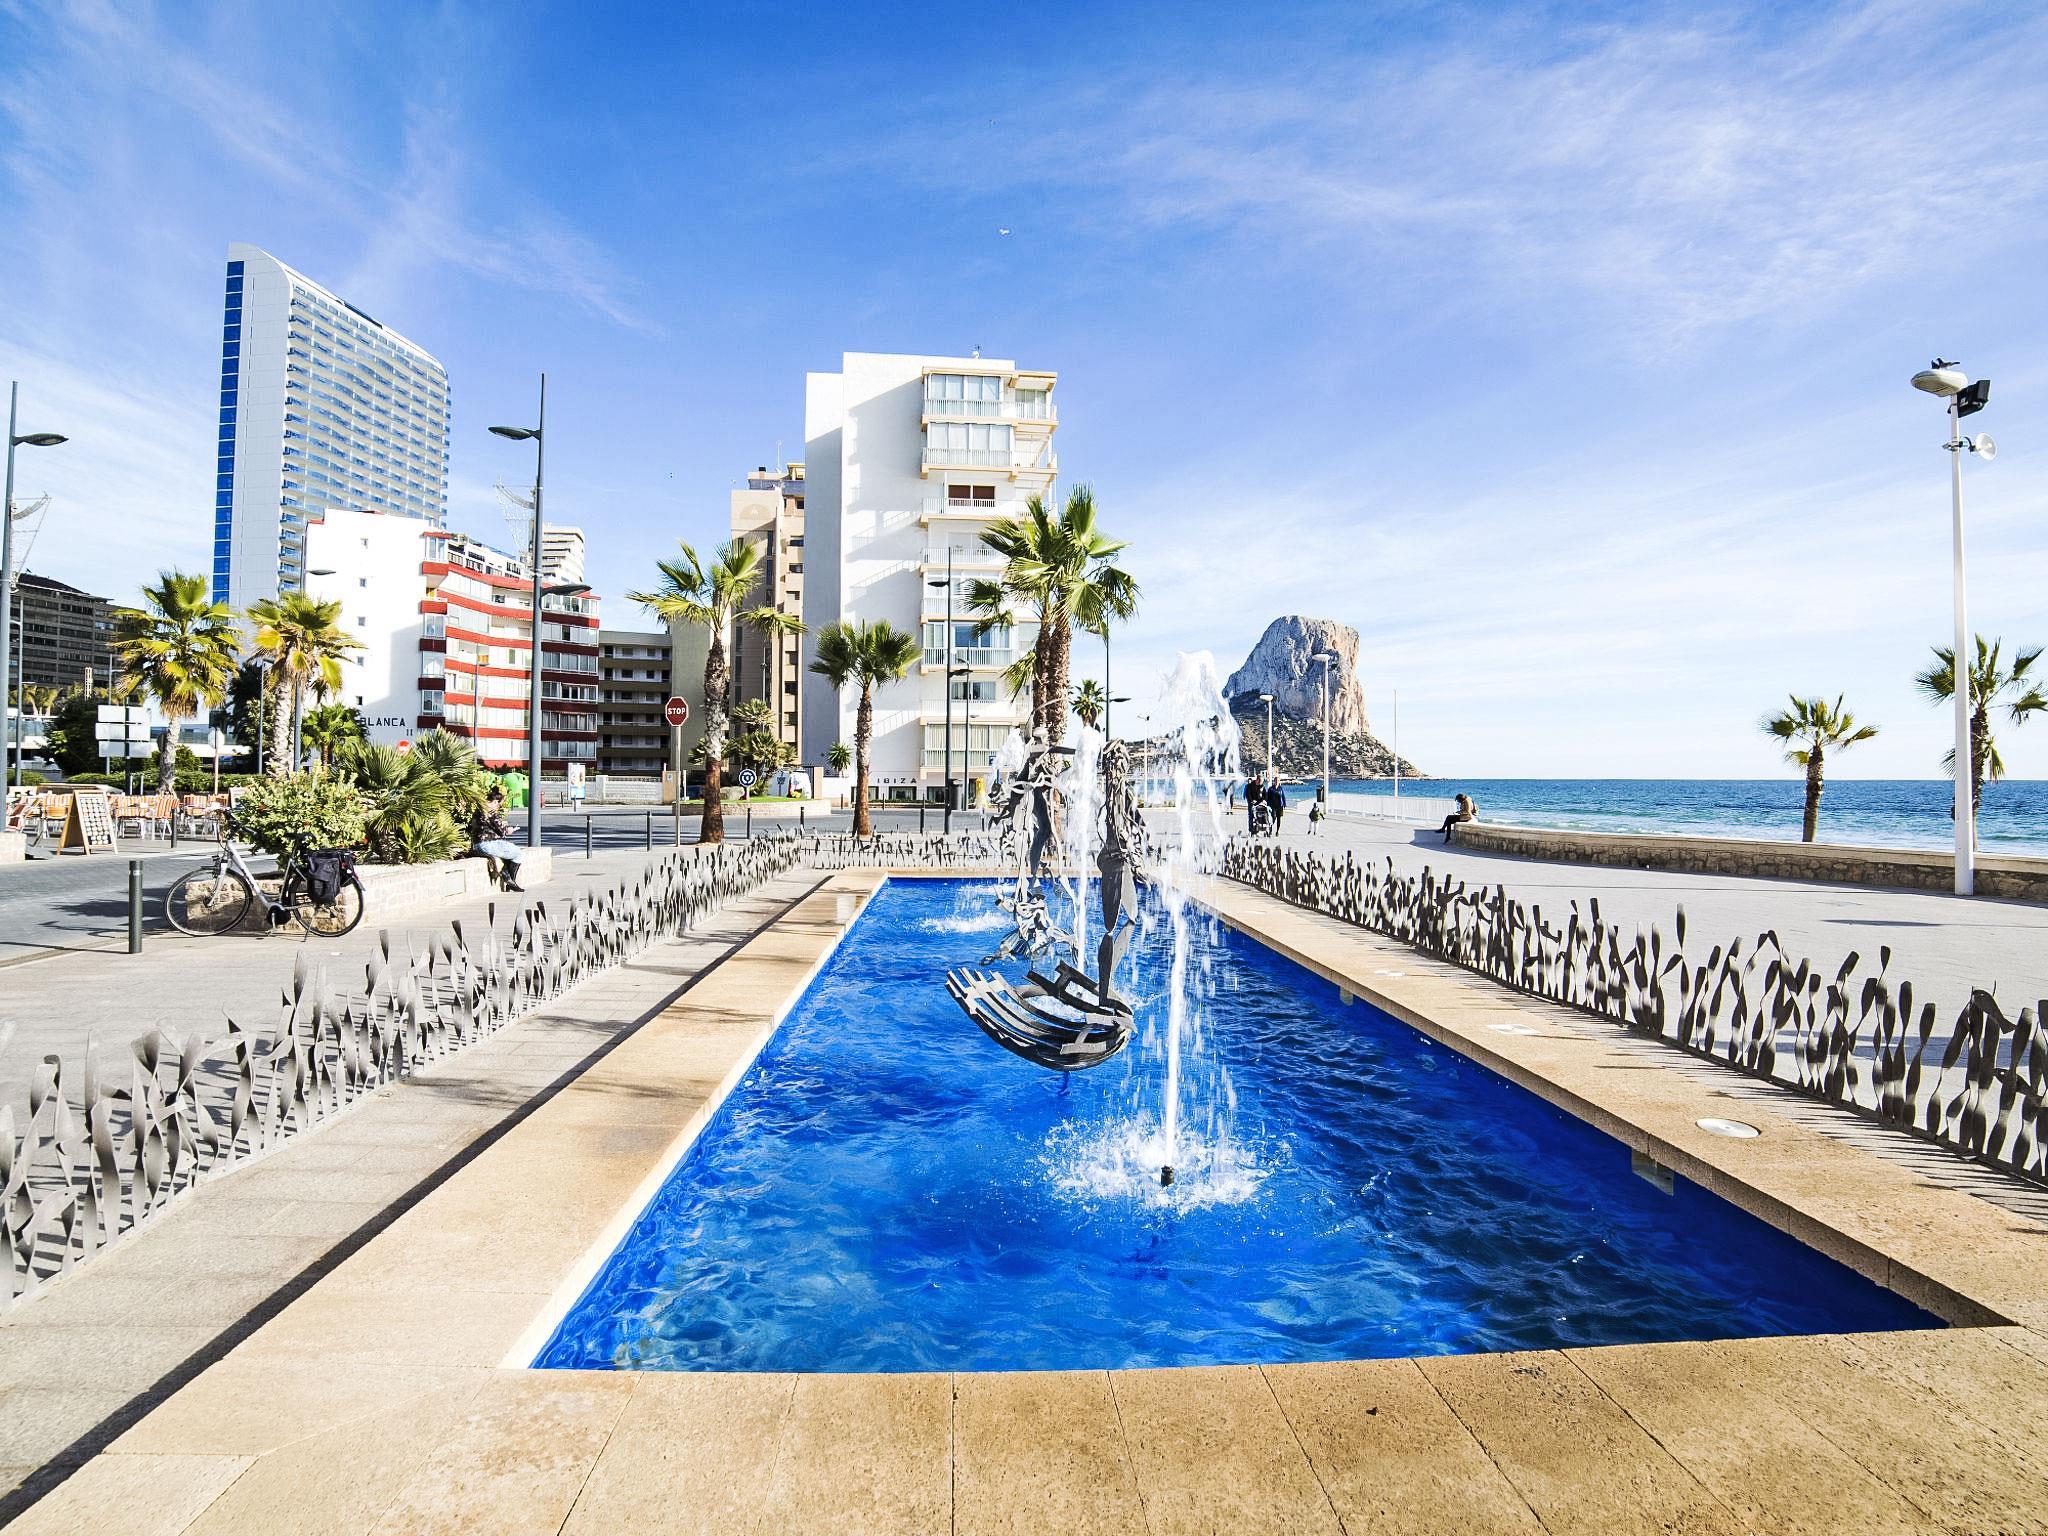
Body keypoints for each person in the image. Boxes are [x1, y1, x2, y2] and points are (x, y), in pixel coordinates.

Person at [469, 786, 528, 892]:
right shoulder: (490, 813)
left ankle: (510, 882)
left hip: (477, 844)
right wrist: (509, 829)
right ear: (495, 801)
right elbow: (502, 831)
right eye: (499, 805)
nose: (498, 807)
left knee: (509, 851)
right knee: (518, 853)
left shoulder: (479, 810)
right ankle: (509, 879)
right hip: (488, 844)